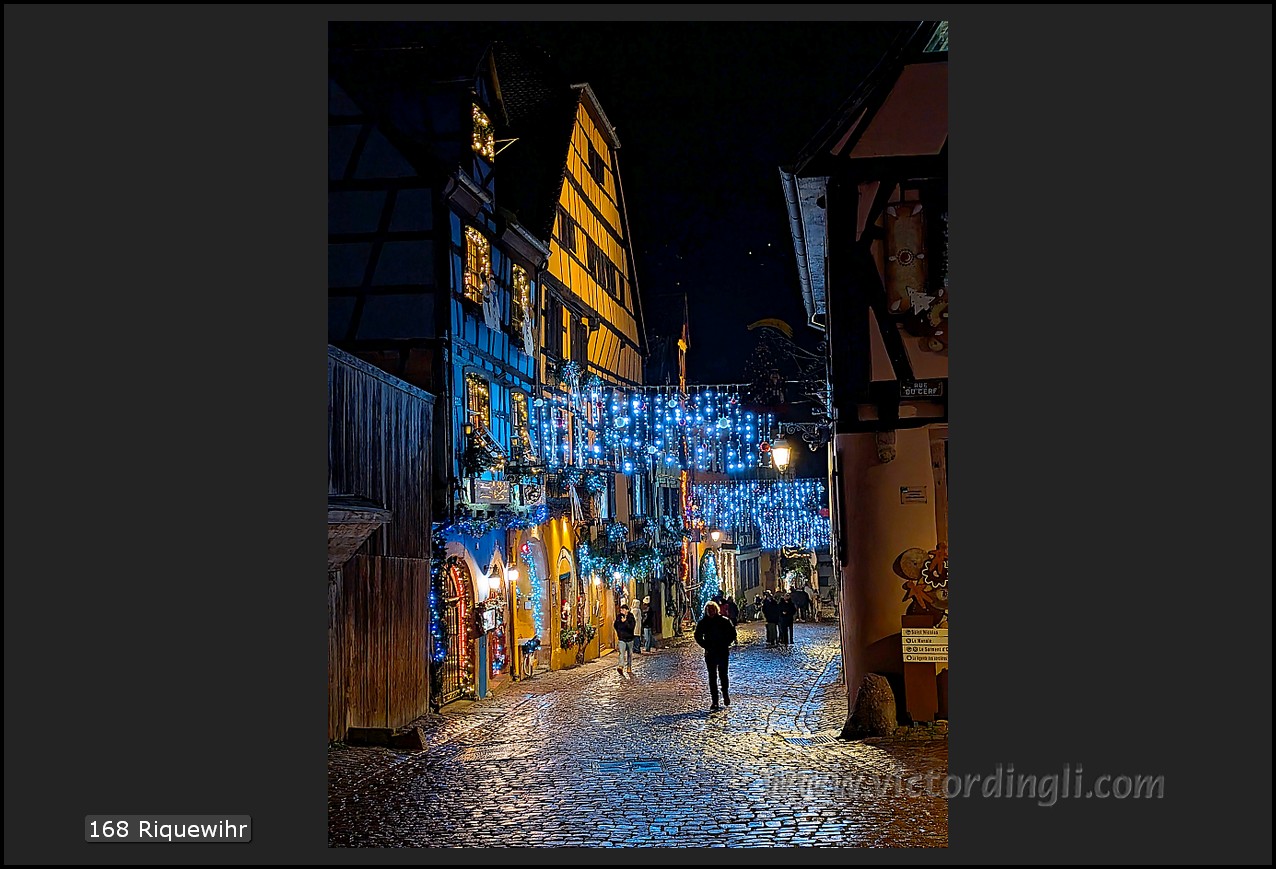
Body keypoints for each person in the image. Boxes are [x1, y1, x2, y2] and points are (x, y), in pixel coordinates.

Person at [693, 600, 737, 712]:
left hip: (722, 651)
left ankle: (725, 693)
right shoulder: (703, 622)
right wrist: (705, 645)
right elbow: (697, 635)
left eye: (712, 609)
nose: (711, 612)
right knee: (712, 677)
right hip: (710, 652)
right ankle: (715, 700)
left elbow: (733, 633)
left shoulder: (724, 621)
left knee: (723, 675)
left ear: (716, 610)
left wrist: (726, 643)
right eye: (709, 610)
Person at [614, 602, 637, 678]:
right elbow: (615, 625)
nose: (622, 611)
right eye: (621, 610)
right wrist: (619, 633)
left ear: (627, 610)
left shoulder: (631, 617)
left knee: (629, 654)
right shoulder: (619, 617)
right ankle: (621, 666)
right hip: (622, 639)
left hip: (630, 639)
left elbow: (631, 627)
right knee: (621, 653)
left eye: (623, 610)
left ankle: (629, 667)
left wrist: (625, 622)